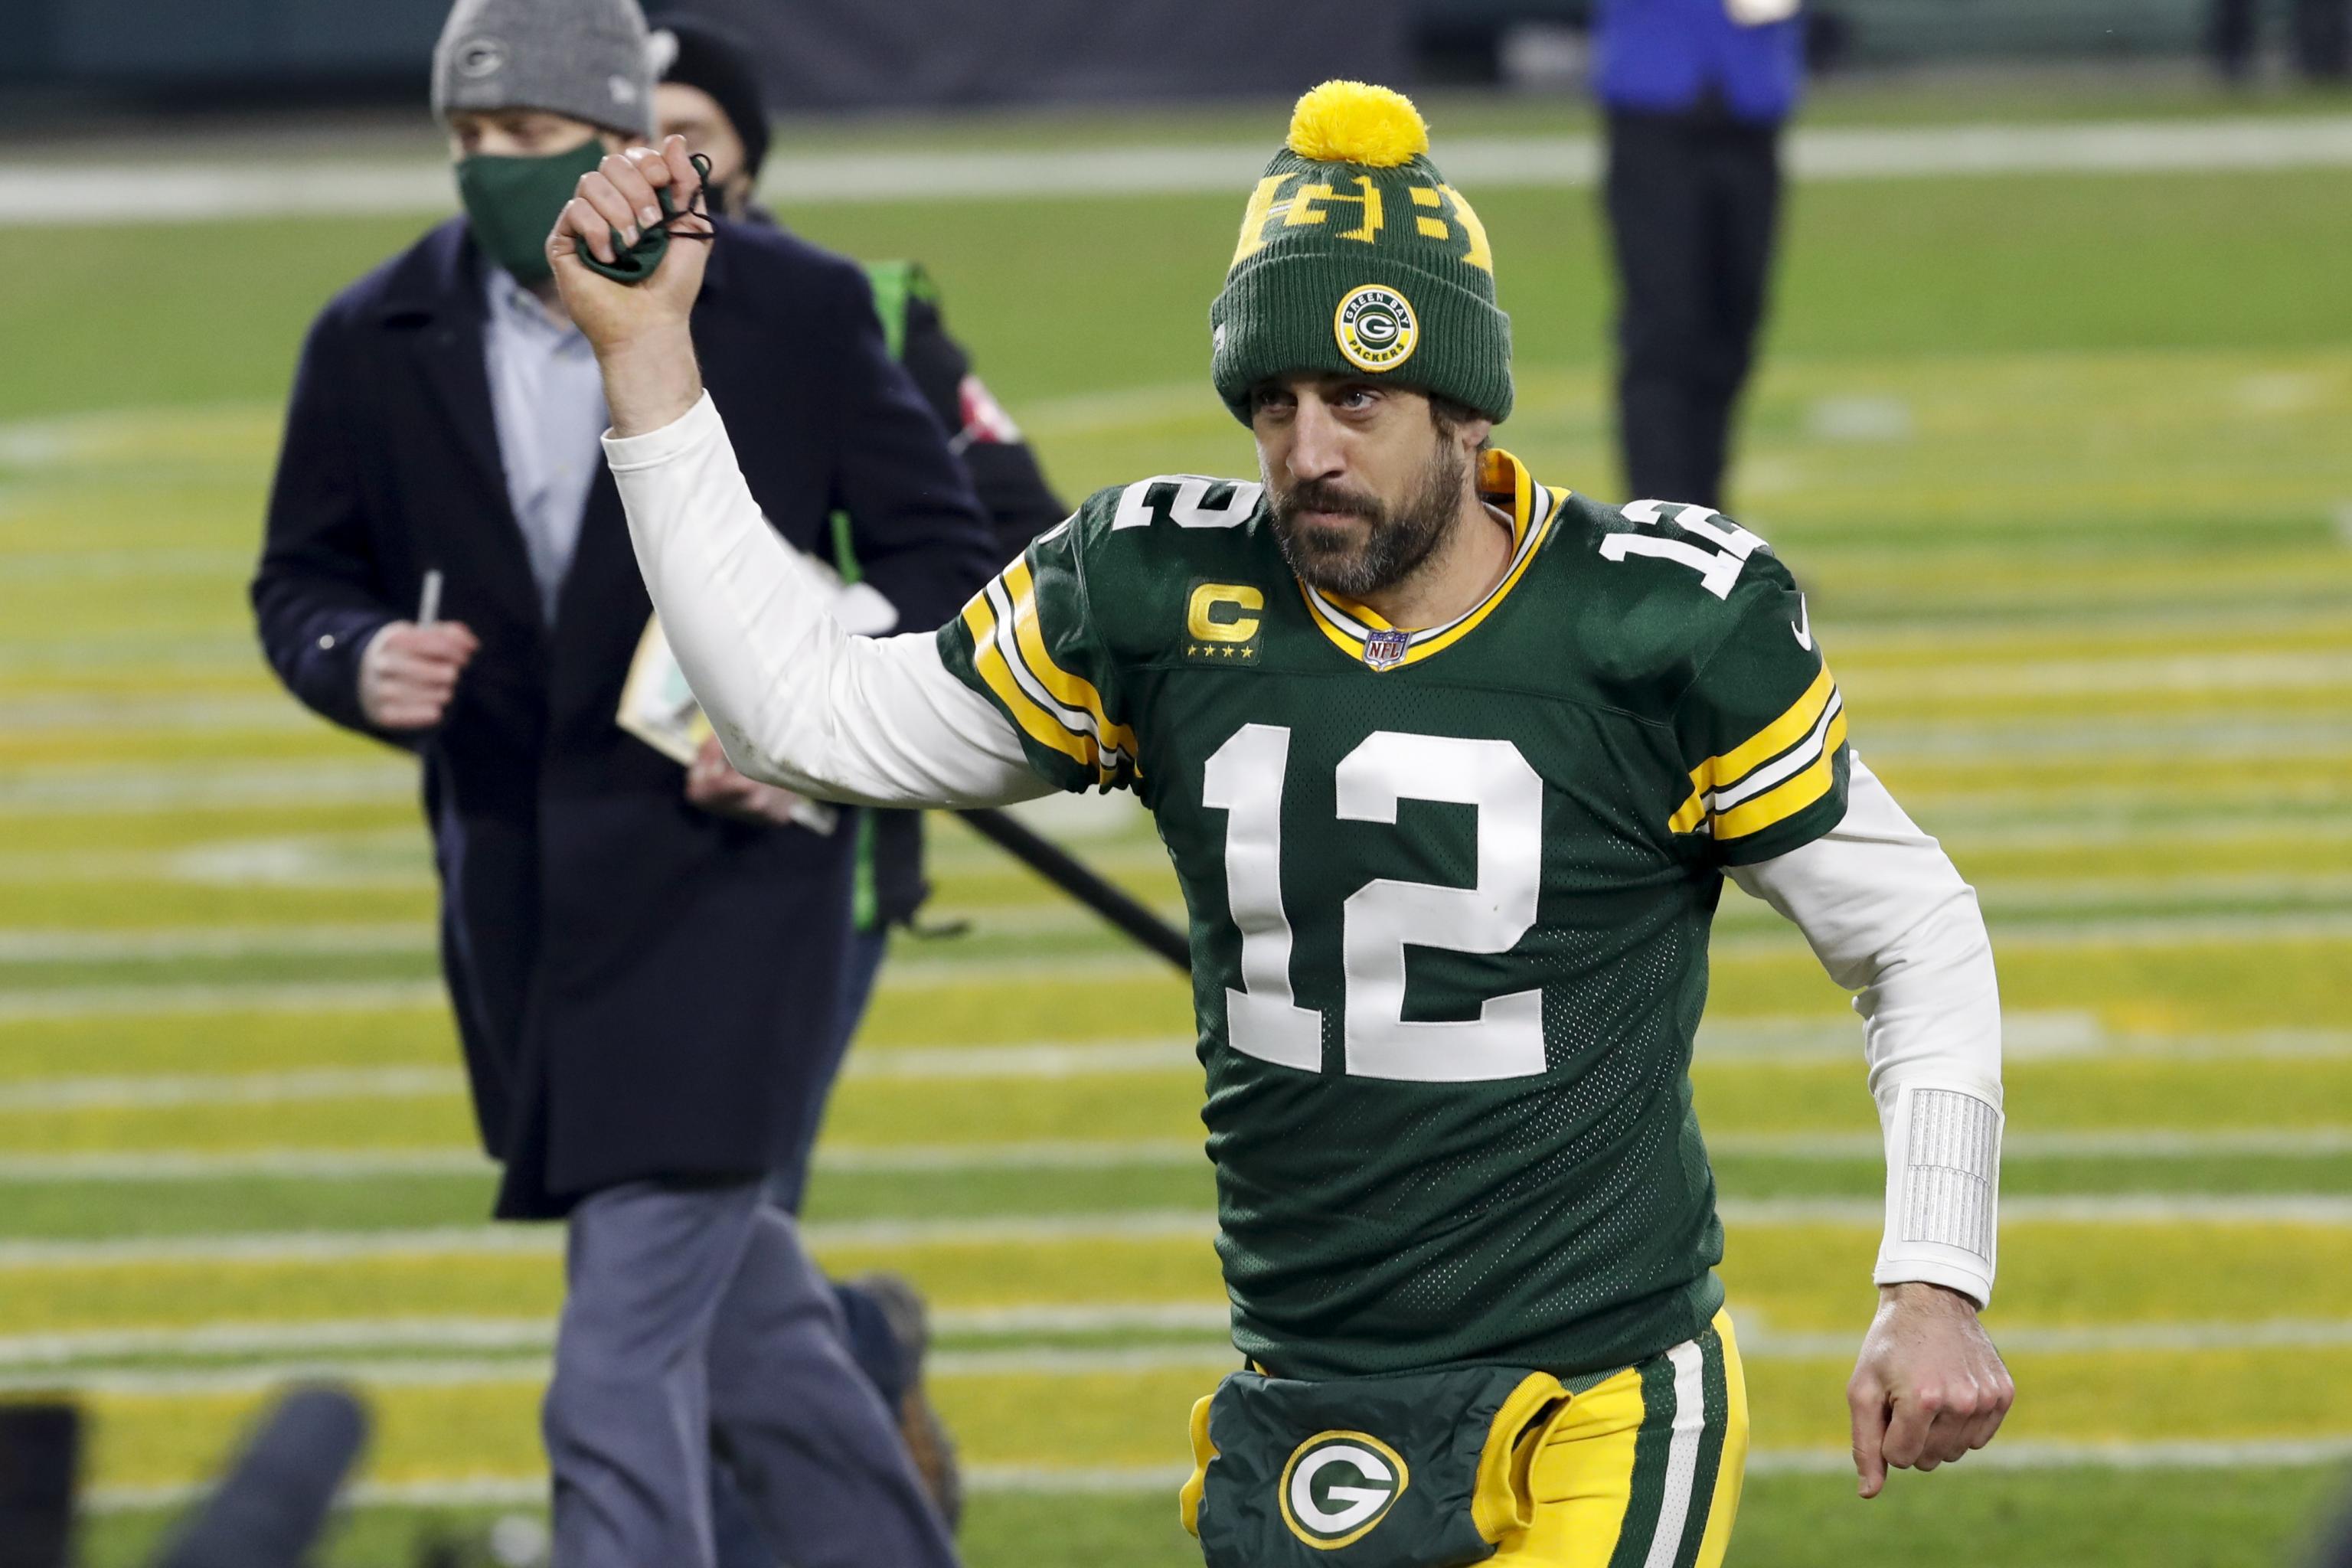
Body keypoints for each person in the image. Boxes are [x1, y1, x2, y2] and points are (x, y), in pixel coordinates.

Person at [556, 81, 2016, 1566]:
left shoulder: (1655, 625)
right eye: (1274, 404)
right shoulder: (1150, 596)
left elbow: (1910, 929)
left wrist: (1935, 1279)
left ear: (1466, 402)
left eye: (1356, 399)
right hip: (1302, 1394)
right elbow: (797, 714)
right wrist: (647, 350)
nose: (1308, 448)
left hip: (1600, 1393)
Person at [247, 0, 996, 1563]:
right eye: (466, 140)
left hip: (732, 888)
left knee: (619, 1357)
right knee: (743, 1319)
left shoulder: (792, 308)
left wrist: (800, 700)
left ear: (618, 138)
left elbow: (946, 564)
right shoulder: (370, 331)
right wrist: (354, 657)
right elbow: (302, 578)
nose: (492, 170)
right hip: (520, 895)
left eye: (526, 138)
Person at [1594, 0, 1803, 511]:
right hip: (1656, 99)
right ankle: (1660, 530)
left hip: (1753, 97)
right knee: (1665, 327)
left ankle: (1710, 526)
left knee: (1733, 325)